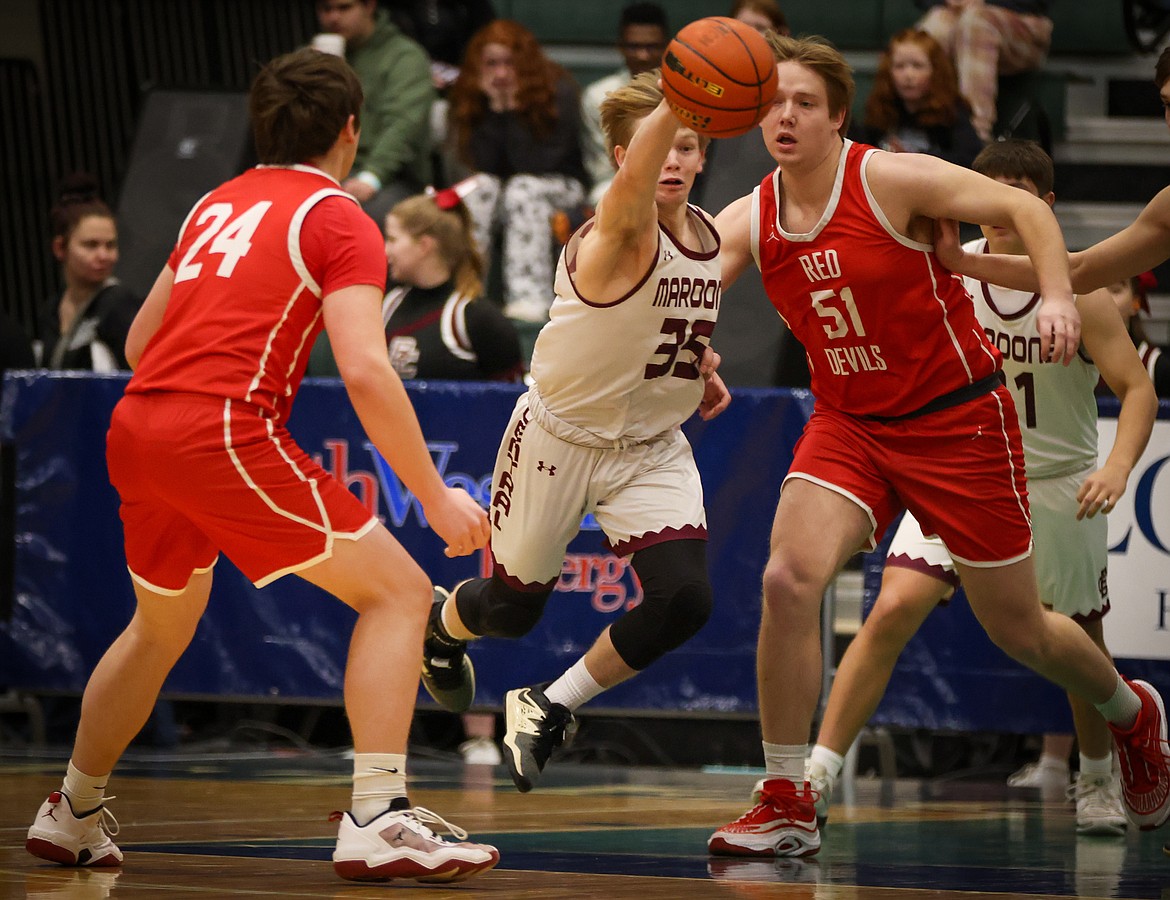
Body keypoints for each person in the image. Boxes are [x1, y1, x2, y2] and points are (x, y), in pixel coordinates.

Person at [24, 47, 499, 884]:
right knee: (398, 593)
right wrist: (433, 496)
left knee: (157, 630)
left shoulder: (215, 201)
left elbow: (139, 343)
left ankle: (71, 810)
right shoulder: (337, 215)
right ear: (351, 131)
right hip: (220, 429)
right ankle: (380, 815)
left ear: (263, 125)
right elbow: (363, 365)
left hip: (138, 427)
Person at [705, 33, 1170, 860]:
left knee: (1022, 630)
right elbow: (689, 287)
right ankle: (787, 796)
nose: (784, 115)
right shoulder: (751, 214)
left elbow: (1024, 209)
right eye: (772, 102)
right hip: (849, 422)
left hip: (955, 420)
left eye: (804, 102)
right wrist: (691, 348)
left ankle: (1134, 716)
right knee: (787, 578)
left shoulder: (887, 177)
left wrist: (1061, 294)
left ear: (838, 115)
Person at [802, 139, 1157, 839]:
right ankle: (815, 774)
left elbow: (1137, 387)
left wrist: (1116, 467)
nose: (997, 211)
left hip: (1054, 483)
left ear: (1042, 207)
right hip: (956, 466)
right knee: (890, 610)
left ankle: (1095, 778)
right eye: (986, 192)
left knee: (1077, 635)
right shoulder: (945, 277)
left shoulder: (1079, 293)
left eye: (1016, 194)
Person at [419, 69, 731, 795]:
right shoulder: (617, 224)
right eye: (662, 148)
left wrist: (696, 359)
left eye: (690, 145)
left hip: (649, 447)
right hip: (560, 437)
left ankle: (551, 703)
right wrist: (685, 96)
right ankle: (442, 626)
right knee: (509, 611)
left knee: (686, 600)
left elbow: (659, 315)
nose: (675, 160)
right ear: (626, 159)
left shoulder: (713, 232)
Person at [445, 19, 589, 324]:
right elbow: (481, 165)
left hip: (560, 184)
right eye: (491, 63)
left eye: (509, 62)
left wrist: (510, 110)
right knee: (479, 187)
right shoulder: (474, 98)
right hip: (504, 186)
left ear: (524, 62)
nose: (501, 72)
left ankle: (529, 298)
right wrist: (496, 110)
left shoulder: (557, 91)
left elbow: (539, 164)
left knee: (522, 189)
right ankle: (468, 293)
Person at [382, 179, 524, 384]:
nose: (386, 250)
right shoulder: (388, 305)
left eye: (392, 240)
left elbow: (510, 404)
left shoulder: (478, 318)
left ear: (424, 245)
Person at [315, 0, 437, 226]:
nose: (333, 18)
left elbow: (403, 127)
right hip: (323, 171)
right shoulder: (312, 56)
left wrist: (372, 176)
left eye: (344, 8)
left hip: (388, 176)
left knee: (356, 218)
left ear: (369, 6)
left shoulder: (404, 57)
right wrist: (312, 76)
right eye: (326, 9)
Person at [35, 174, 140, 371]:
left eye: (110, 245)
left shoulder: (121, 306)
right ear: (60, 248)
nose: (104, 255)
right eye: (90, 245)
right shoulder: (50, 311)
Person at [914, 0, 1053, 143]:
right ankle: (922, 131)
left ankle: (975, 136)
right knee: (936, 25)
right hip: (958, 13)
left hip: (1022, 21)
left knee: (975, 22)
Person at [850, 28, 983, 168]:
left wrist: (912, 157)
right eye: (900, 66)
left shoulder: (951, 110)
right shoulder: (881, 108)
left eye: (918, 66)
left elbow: (970, 158)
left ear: (935, 71)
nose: (908, 75)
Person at [580, 3, 670, 208]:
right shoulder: (598, 96)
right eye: (634, 46)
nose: (643, 55)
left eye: (651, 46)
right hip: (615, 181)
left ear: (665, 47)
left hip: (674, 176)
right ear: (621, 46)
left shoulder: (683, 93)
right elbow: (602, 167)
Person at [386, 0, 497, 91]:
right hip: (411, 80)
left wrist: (468, 76)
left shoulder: (471, 5)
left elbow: (489, 40)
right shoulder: (393, 7)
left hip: (463, 83)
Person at [1105, 272, 1170, 396]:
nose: (1103, 299)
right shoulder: (1070, 358)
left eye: (1115, 290)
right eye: (1095, 290)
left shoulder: (1156, 366)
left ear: (1135, 302)